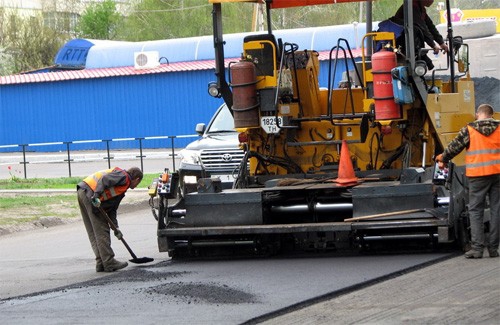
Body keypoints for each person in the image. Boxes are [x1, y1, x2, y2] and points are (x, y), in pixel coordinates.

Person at [435, 104, 500, 259]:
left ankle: (477, 249)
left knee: (476, 210)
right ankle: (493, 249)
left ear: (478, 114)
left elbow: (454, 147)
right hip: (497, 174)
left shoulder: (470, 129)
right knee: (496, 209)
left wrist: (442, 158)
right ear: (491, 115)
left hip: (477, 176)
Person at [77, 166, 143, 272]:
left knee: (94, 231)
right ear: (137, 179)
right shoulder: (124, 177)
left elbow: (112, 208)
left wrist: (115, 227)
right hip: (90, 193)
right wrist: (96, 195)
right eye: (137, 184)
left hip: (83, 191)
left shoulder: (121, 186)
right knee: (102, 230)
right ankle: (109, 262)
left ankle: (101, 262)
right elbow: (104, 180)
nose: (135, 187)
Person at [393, 0, 449, 70]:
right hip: (402, 43)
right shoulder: (412, 7)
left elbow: (430, 26)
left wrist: (441, 43)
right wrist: (433, 45)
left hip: (410, 43)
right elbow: (422, 28)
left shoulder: (421, 9)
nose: (432, 1)